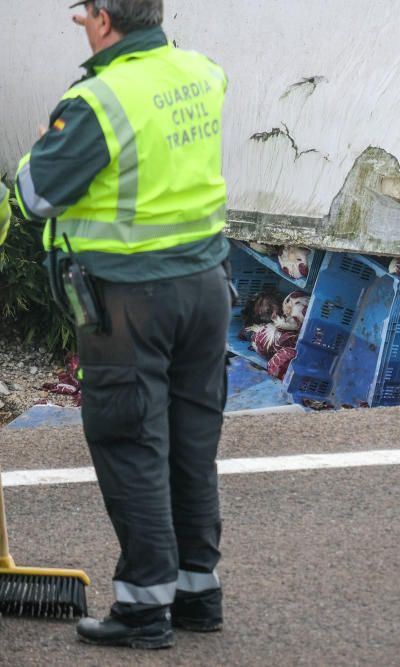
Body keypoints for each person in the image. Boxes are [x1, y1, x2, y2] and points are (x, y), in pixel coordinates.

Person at [15, 0, 231, 649]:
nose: (79, 19)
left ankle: (142, 607)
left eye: (83, 9)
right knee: (192, 442)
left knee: (131, 441)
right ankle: (198, 592)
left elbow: (36, 193)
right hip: (207, 286)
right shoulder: (202, 72)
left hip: (131, 300)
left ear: (105, 18)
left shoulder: (99, 102)